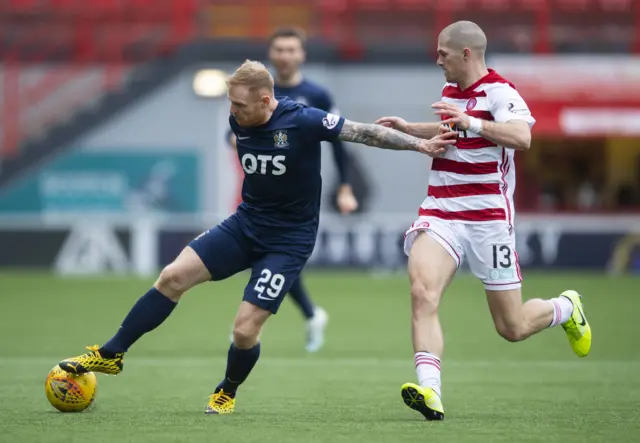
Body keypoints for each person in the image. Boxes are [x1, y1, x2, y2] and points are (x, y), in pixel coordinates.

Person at [57, 60, 456, 415]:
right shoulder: (239, 120)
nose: (232, 112)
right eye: (231, 103)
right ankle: (112, 354)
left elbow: (363, 134)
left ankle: (226, 391)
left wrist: (419, 143)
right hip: (245, 224)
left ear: (266, 100)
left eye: (240, 105)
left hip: (288, 240)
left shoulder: (302, 120)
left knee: (245, 330)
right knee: (172, 276)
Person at [375, 21, 592, 421]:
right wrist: (411, 130)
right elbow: (453, 132)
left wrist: (471, 122)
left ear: (466, 54)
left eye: (443, 53)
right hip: (441, 211)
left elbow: (521, 137)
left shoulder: (501, 92)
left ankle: (565, 307)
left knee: (511, 327)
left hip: (488, 220)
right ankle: (430, 391)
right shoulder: (451, 93)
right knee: (422, 292)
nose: (437, 59)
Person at [226, 27, 358, 353]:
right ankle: (306, 315)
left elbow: (340, 141)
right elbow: (232, 132)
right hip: (261, 194)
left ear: (301, 55)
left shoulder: (317, 95)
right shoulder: (253, 90)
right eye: (279, 49)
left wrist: (345, 186)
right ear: (271, 54)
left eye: (291, 49)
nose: (285, 55)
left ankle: (263, 321)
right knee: (264, 254)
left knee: (276, 255)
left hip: (298, 197)